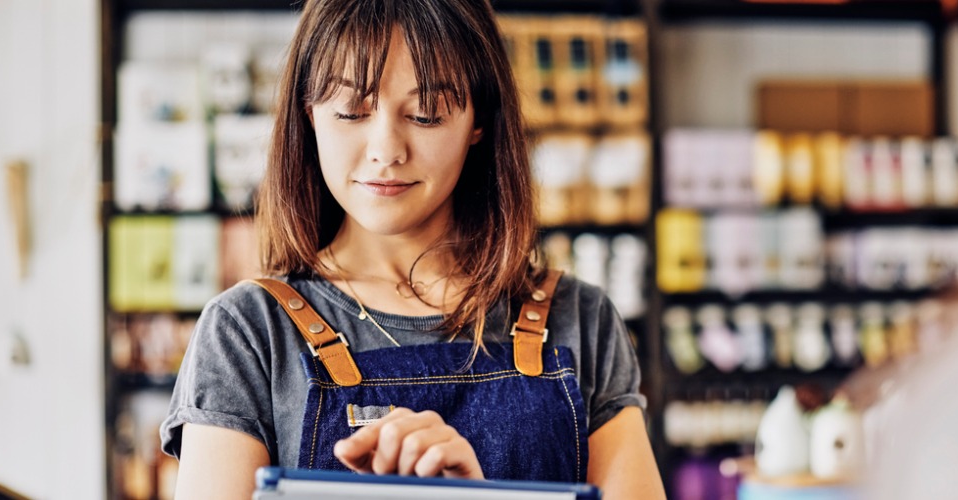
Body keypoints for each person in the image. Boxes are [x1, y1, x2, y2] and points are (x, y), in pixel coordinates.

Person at [158, 0, 663, 498]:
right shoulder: (248, 332)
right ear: (308, 114)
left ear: (479, 121)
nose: (386, 150)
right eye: (352, 111)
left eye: (425, 114)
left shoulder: (582, 320)